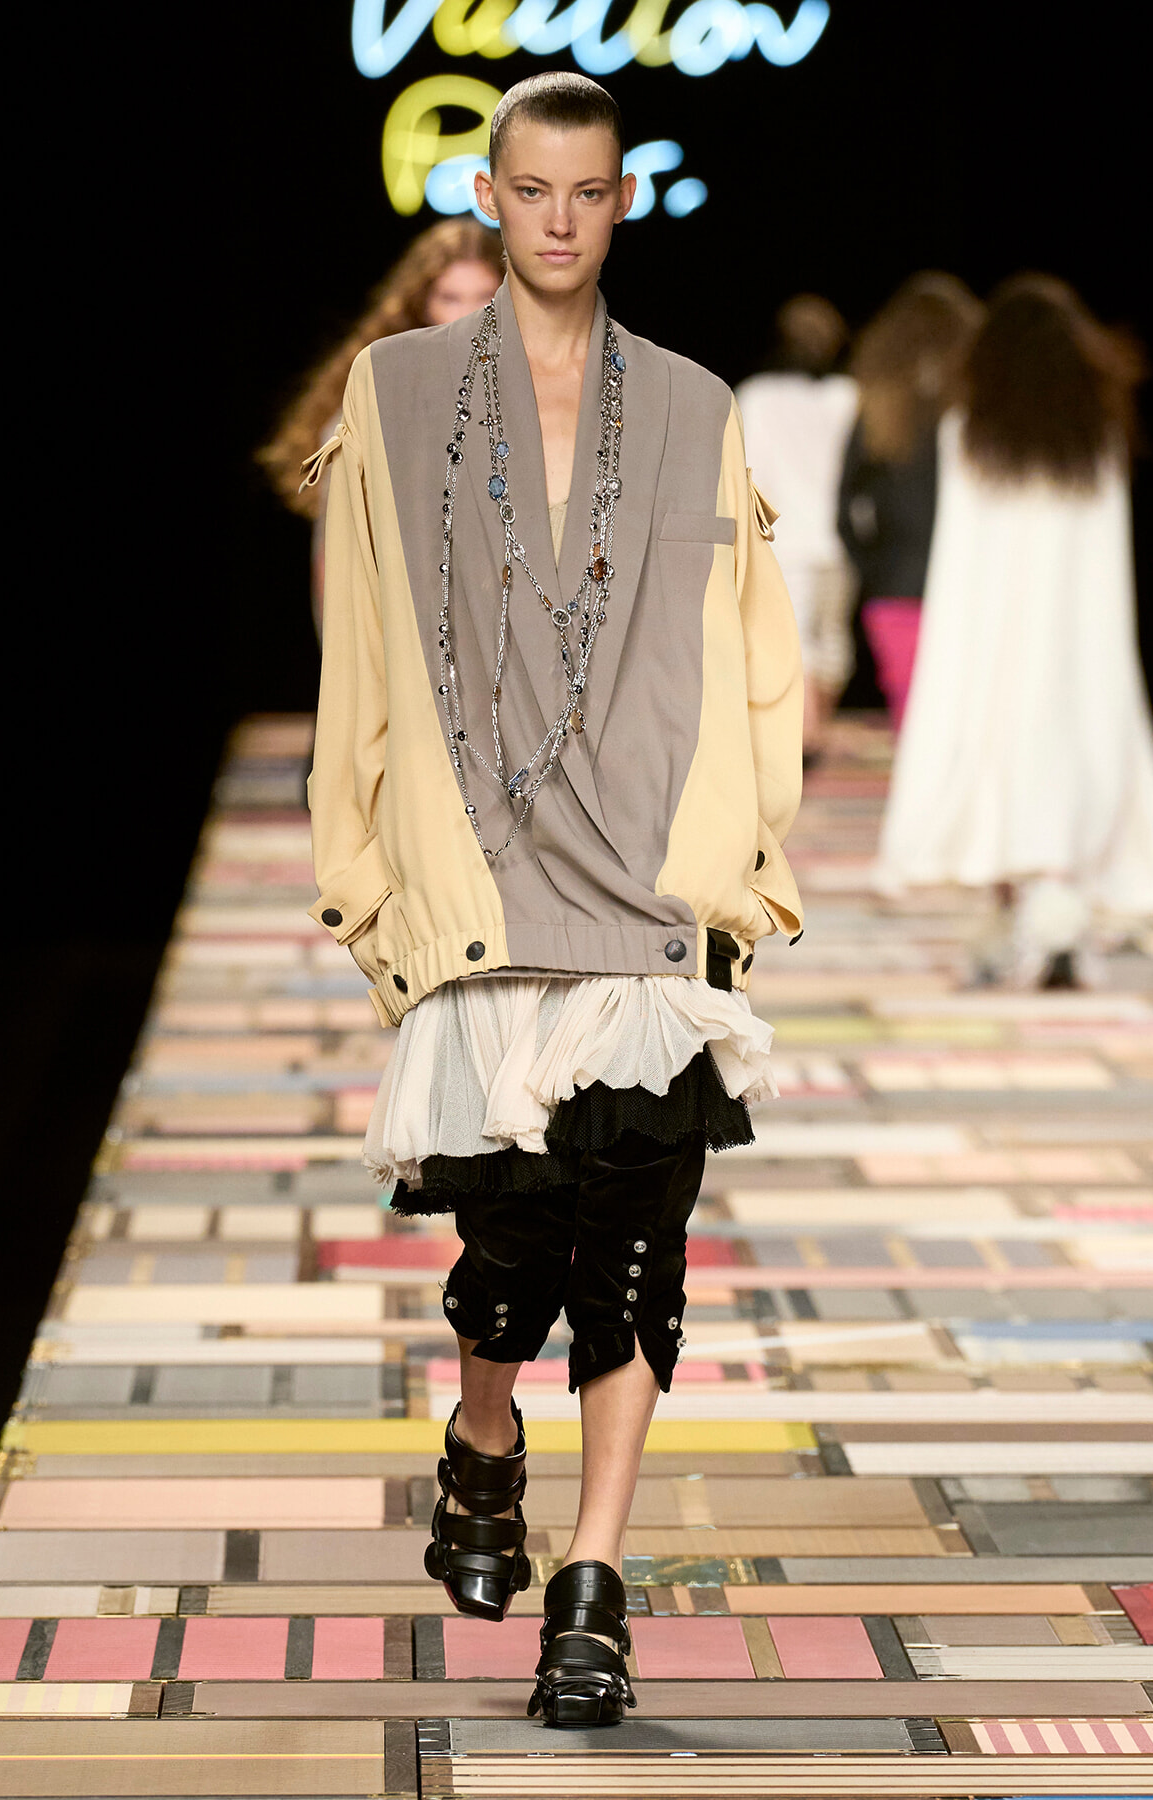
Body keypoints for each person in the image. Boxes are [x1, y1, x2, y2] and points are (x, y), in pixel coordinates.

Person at [301, 72, 803, 1727]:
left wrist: (753, 860)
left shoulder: (696, 408)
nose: (563, 220)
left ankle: (593, 1586)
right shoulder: (392, 395)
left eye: (591, 192)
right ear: (493, 196)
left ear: (621, 202)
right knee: (510, 1243)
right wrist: (359, 872)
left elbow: (757, 657)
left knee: (637, 1251)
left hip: (654, 892)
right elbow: (355, 647)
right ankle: (484, 1435)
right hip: (478, 888)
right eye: (535, 191)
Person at [873, 274, 1153, 987]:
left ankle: (1016, 921)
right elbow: (1108, 555)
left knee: (998, 778)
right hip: (1080, 644)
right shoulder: (1096, 434)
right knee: (1074, 772)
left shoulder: (967, 431)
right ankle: (1056, 915)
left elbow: (962, 556)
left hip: (993, 639)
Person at [258, 220, 504, 633]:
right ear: (421, 304)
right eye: (450, 297)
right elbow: (336, 569)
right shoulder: (371, 406)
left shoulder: (542, 400)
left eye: (485, 297)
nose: (468, 315)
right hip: (402, 640)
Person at [837, 274, 983, 728]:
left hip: (896, 585)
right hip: (973, 583)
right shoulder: (978, 416)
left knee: (914, 725)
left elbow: (844, 508)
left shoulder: (878, 412)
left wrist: (872, 564)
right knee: (969, 721)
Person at [736, 296, 856, 759]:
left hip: (786, 545)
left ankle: (805, 745)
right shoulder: (850, 397)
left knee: (801, 642)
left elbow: (747, 474)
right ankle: (814, 735)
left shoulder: (757, 396)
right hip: (840, 544)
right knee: (830, 643)